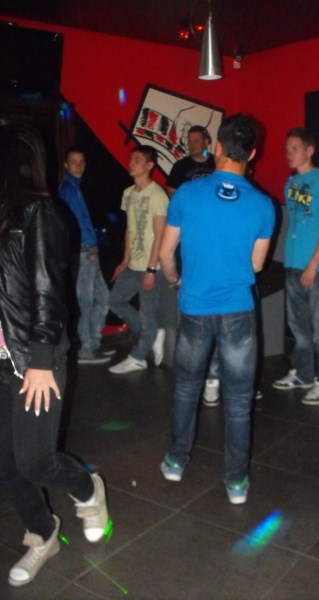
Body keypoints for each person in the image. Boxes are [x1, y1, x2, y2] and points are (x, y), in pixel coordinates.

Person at [0, 122, 109, 588]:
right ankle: (43, 533)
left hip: (33, 357)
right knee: (5, 465)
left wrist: (42, 358)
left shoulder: (39, 212)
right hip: (3, 358)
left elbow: (49, 290)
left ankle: (88, 487)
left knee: (35, 461)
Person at [159, 114, 275, 504]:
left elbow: (165, 254)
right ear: (252, 154)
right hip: (238, 310)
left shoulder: (186, 195)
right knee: (239, 399)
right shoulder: (264, 205)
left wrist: (176, 279)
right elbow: (256, 265)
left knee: (186, 388)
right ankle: (236, 483)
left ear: (218, 147)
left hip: (194, 306)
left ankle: (176, 461)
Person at [272, 127, 319, 404]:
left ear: (309, 150)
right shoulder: (290, 184)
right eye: (287, 149)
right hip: (292, 263)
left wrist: (313, 265)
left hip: (316, 268)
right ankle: (304, 373)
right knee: (298, 327)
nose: (289, 154)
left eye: (295, 148)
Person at [166, 125, 220, 406]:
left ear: (208, 141)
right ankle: (196, 378)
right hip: (191, 237)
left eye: (197, 140)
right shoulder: (181, 167)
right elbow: (172, 193)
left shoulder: (216, 164)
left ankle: (216, 378)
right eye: (190, 140)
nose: (192, 144)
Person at [108, 145, 168, 374]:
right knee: (115, 301)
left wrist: (151, 270)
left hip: (152, 266)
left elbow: (160, 235)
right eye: (131, 158)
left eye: (137, 159)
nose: (131, 163)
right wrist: (125, 260)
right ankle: (151, 335)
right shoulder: (128, 193)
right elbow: (130, 229)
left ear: (149, 165)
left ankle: (139, 357)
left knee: (147, 313)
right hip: (134, 264)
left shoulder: (158, 195)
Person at [59, 148, 112, 364]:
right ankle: (85, 350)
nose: (78, 166)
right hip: (84, 252)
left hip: (88, 250)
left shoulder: (75, 188)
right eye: (74, 162)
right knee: (86, 302)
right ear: (66, 165)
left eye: (81, 162)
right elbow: (75, 224)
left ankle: (93, 344)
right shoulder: (69, 190)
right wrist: (87, 246)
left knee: (103, 297)